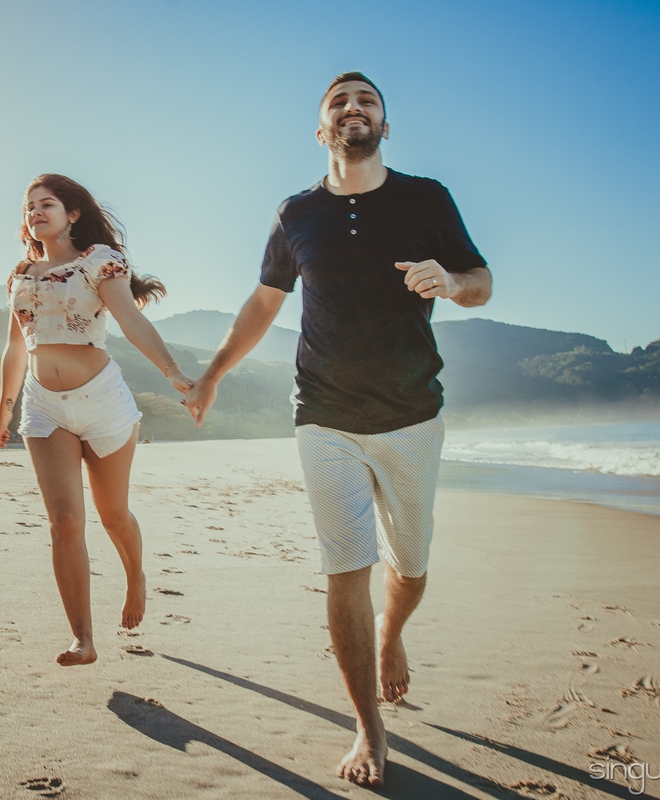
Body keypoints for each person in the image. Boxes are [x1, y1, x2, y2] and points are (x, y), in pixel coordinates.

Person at [183, 73, 492, 786]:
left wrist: (450, 280)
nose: (355, 109)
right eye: (340, 103)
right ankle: (368, 729)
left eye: (369, 102)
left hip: (413, 414)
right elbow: (263, 305)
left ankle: (393, 634)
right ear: (321, 128)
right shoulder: (296, 213)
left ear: (386, 124)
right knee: (346, 567)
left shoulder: (427, 198)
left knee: (409, 568)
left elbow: (482, 280)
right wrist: (213, 375)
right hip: (323, 416)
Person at [0, 174, 194, 667]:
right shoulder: (22, 273)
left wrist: (173, 373)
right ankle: (83, 638)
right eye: (30, 207)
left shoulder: (100, 261)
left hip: (102, 401)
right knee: (64, 522)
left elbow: (130, 319)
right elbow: (18, 344)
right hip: (44, 408)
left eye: (48, 204)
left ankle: (136, 576)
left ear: (72, 213)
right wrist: (4, 405)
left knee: (113, 515)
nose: (37, 212)